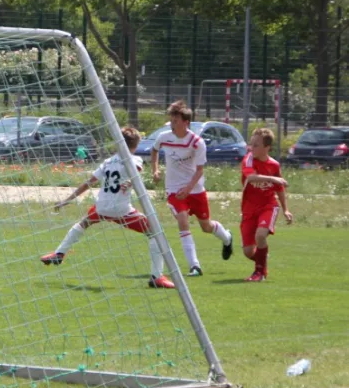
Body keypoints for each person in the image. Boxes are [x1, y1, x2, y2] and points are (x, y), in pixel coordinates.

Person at [40, 127, 175, 289]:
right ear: (136, 144)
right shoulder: (134, 160)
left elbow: (89, 182)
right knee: (155, 233)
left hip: (102, 206)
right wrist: (131, 182)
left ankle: (59, 253)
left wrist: (67, 200)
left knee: (84, 223)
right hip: (121, 209)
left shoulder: (108, 161)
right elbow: (136, 174)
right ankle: (157, 277)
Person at [150, 101, 233, 276]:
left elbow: (200, 170)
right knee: (182, 220)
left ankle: (227, 238)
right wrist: (155, 170)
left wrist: (188, 188)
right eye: (171, 120)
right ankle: (195, 266)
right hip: (173, 189)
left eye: (176, 121)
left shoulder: (197, 143)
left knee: (206, 226)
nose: (172, 124)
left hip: (195, 190)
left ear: (186, 122)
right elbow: (154, 150)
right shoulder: (164, 137)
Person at [240, 128, 293, 281]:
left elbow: (280, 189)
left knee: (261, 235)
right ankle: (262, 265)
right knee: (248, 251)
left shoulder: (274, 165)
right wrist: (273, 179)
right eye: (251, 144)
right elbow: (250, 177)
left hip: (268, 206)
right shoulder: (248, 159)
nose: (252, 148)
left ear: (267, 148)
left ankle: (259, 273)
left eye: (256, 145)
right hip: (249, 208)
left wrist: (286, 209)